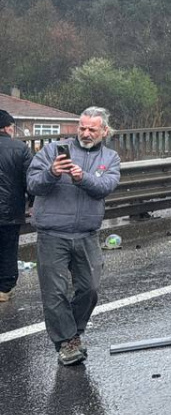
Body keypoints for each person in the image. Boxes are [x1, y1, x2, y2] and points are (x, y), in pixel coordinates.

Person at [27, 107, 121, 365]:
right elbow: (32, 184)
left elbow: (105, 187)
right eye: (82, 127)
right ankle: (66, 343)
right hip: (52, 233)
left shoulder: (110, 158)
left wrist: (82, 178)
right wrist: (52, 172)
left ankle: (74, 333)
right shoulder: (50, 151)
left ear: (104, 131)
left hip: (87, 234)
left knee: (89, 289)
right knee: (54, 293)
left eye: (92, 129)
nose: (86, 133)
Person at [0, 110, 33, 303]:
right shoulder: (20, 148)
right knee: (8, 249)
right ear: (7, 128)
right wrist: (33, 202)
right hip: (11, 211)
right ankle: (4, 289)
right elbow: (30, 179)